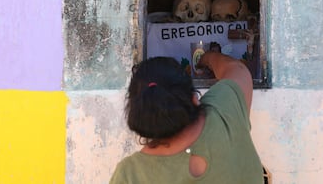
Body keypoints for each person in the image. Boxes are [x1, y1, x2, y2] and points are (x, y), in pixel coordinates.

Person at [109, 52, 264, 184]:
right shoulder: (224, 109)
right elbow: (237, 69)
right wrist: (206, 57)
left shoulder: (129, 175)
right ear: (193, 99)